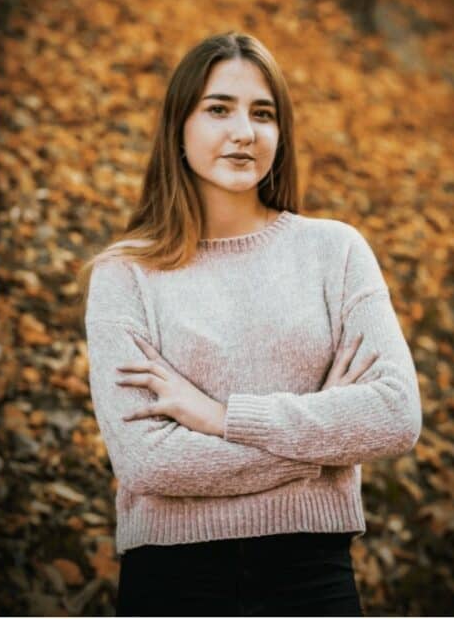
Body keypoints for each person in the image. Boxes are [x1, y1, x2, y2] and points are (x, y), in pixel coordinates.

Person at [83, 31, 422, 617]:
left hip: (313, 578)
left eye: (263, 114)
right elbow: (148, 462)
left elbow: (395, 416)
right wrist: (326, 444)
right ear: (178, 127)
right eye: (219, 109)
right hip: (172, 581)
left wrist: (222, 418)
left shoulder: (335, 252)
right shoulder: (125, 273)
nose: (244, 131)